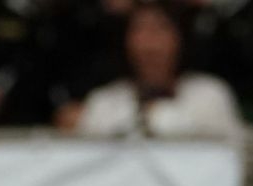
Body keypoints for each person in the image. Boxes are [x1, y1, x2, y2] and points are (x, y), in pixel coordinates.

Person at [75, 0, 241, 139]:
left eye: (161, 29)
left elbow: (233, 158)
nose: (150, 45)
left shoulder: (210, 95)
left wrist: (163, 116)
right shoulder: (103, 103)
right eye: (140, 29)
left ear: (181, 38)